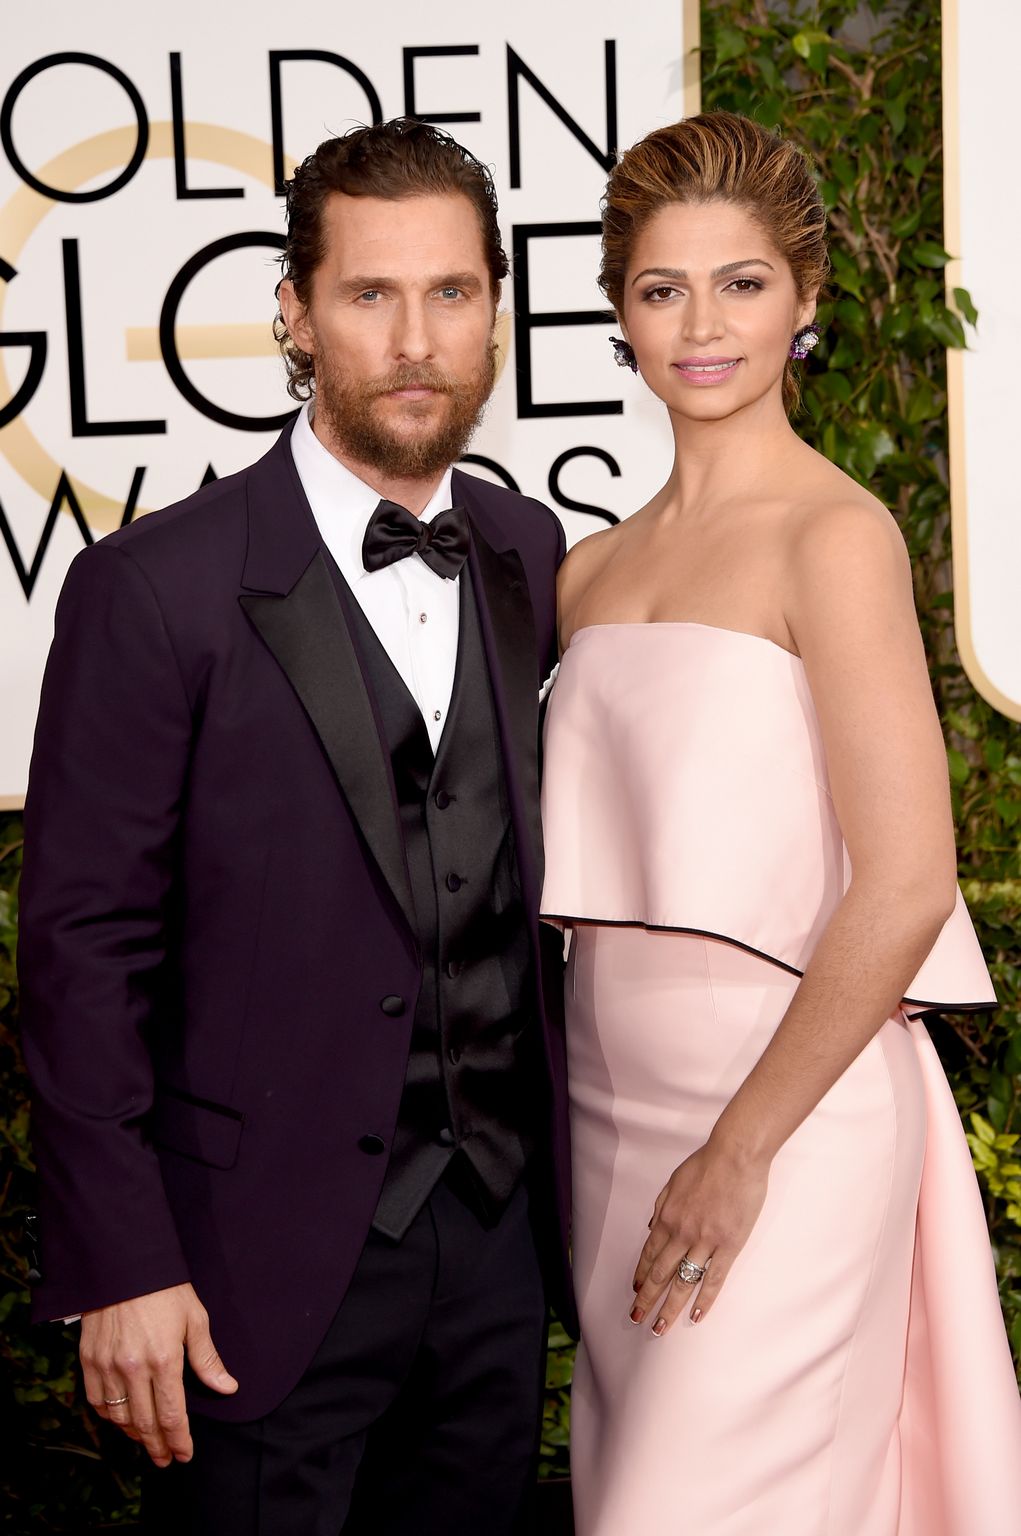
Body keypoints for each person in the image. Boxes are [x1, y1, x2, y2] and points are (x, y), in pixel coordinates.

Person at [18, 118, 573, 1536]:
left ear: (497, 312)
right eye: (369, 294)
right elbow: (82, 950)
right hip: (244, 1269)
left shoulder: (533, 554)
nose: (413, 339)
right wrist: (121, 1263)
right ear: (294, 311)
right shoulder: (154, 590)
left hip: (499, 1257)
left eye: (451, 293)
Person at [539, 111, 1021, 1534]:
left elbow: (906, 884)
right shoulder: (585, 570)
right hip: (610, 1127)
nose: (702, 326)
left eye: (741, 284)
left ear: (806, 300)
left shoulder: (835, 535)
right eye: (661, 287)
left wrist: (739, 1147)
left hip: (787, 1121)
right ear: (618, 310)